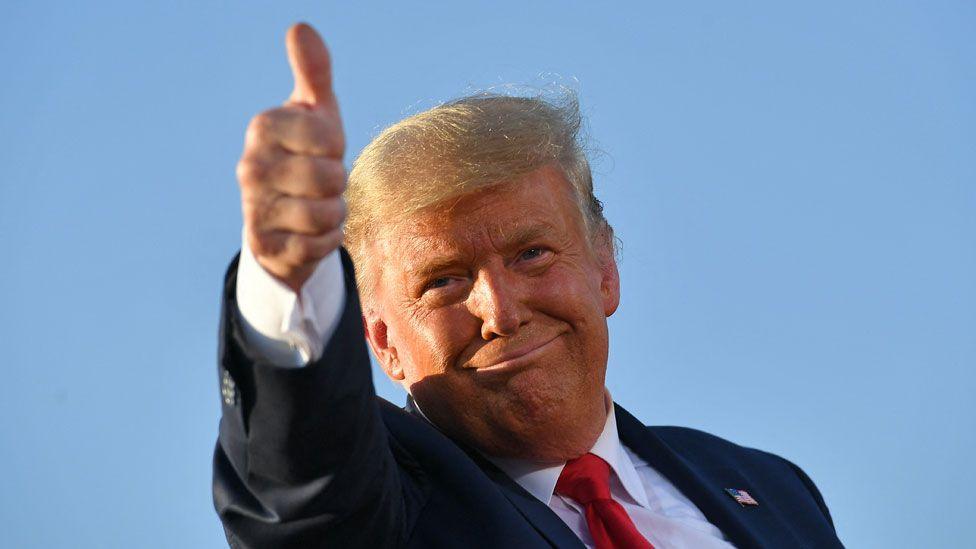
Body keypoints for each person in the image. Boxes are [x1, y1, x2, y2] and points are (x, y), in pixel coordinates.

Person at [212, 23, 844, 548]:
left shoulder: (773, 488)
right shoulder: (381, 508)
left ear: (605, 268)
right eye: (444, 281)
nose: (500, 311)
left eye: (532, 253)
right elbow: (303, 485)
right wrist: (286, 280)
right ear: (383, 341)